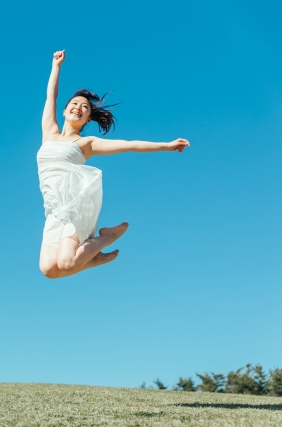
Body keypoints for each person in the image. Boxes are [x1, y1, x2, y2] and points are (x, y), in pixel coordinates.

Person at [38, 50, 189, 279]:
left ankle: (107, 237)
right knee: (48, 269)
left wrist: (166, 145)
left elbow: (129, 145)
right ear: (65, 109)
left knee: (67, 262)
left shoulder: (86, 143)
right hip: (53, 209)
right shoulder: (49, 133)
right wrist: (55, 67)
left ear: (88, 119)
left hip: (74, 204)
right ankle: (93, 257)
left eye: (85, 107)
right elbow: (51, 96)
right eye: (75, 103)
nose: (79, 107)